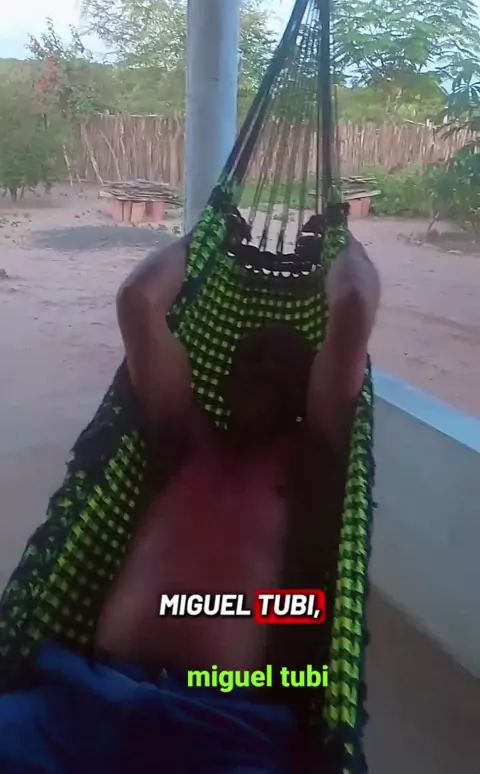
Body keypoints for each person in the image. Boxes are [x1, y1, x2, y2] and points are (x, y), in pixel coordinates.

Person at [0, 233, 380, 774]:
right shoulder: (182, 438)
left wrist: (344, 242)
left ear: (305, 391)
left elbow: (354, 306)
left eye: (283, 366)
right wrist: (204, 239)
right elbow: (137, 302)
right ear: (222, 379)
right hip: (80, 702)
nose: (263, 370)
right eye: (252, 359)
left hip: (220, 727)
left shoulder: (309, 460)